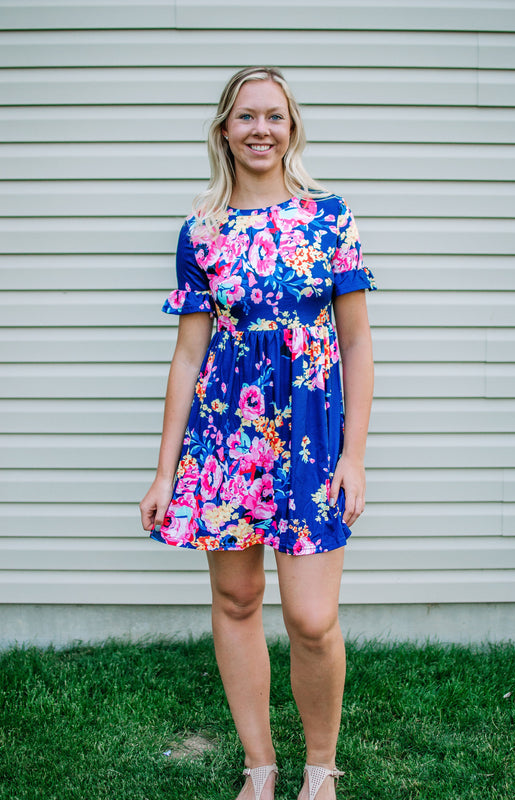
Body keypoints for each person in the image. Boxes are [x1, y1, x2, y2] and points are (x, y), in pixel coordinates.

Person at [140, 65, 376, 800]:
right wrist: (163, 470)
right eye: (246, 117)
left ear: (291, 128)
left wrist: (355, 456)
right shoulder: (201, 233)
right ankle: (260, 767)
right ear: (224, 131)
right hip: (224, 442)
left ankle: (319, 767)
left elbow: (357, 343)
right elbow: (188, 355)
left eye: (274, 116)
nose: (260, 130)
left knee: (310, 617)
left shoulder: (328, 216)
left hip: (308, 441)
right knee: (238, 601)